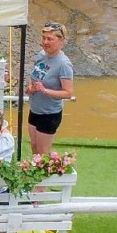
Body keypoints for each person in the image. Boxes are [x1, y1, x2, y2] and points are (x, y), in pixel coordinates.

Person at [26, 23, 73, 156]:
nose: (45, 42)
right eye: (44, 38)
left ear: (61, 41)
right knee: (34, 148)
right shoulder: (41, 55)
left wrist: (45, 91)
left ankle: (45, 176)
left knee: (43, 153)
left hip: (49, 114)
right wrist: (31, 87)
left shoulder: (64, 64)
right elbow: (34, 76)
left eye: (50, 39)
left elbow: (68, 93)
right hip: (35, 110)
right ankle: (34, 174)